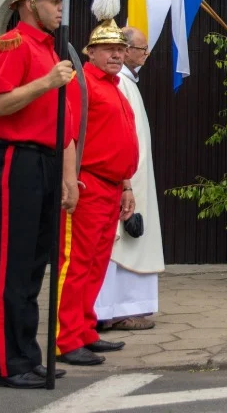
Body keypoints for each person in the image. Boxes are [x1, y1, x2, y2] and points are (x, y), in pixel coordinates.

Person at [0, 0, 79, 389]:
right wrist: (46, 83)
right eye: (52, 0)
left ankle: (29, 354)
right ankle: (9, 363)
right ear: (28, 5)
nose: (60, 7)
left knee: (38, 262)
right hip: (16, 160)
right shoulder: (14, 45)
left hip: (43, 161)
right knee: (14, 263)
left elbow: (62, 125)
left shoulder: (51, 49)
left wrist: (66, 177)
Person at [56, 0, 139, 366]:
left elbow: (118, 142)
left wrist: (125, 186)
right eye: (109, 48)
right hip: (87, 185)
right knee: (76, 263)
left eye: (121, 48)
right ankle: (66, 337)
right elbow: (68, 136)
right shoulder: (81, 83)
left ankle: (86, 329)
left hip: (111, 187)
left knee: (95, 264)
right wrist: (71, 181)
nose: (117, 55)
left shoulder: (116, 88)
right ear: (90, 51)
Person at [95, 27, 164, 331]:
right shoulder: (119, 83)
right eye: (141, 48)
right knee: (119, 244)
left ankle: (125, 305)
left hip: (132, 176)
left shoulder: (126, 82)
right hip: (125, 179)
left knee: (131, 242)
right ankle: (111, 308)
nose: (145, 54)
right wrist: (127, 182)